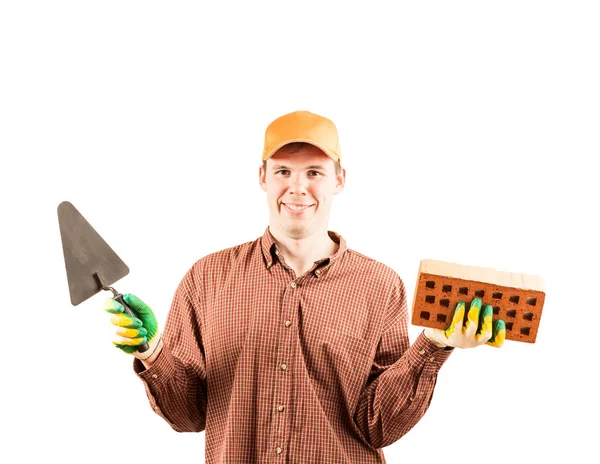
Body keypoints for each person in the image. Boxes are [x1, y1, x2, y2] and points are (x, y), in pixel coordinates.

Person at [104, 110, 506, 463]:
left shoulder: (380, 285)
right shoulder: (207, 278)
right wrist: (152, 352)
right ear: (262, 177)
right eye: (283, 171)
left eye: (314, 172)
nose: (298, 187)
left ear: (339, 180)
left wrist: (434, 345)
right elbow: (190, 415)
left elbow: (378, 426)